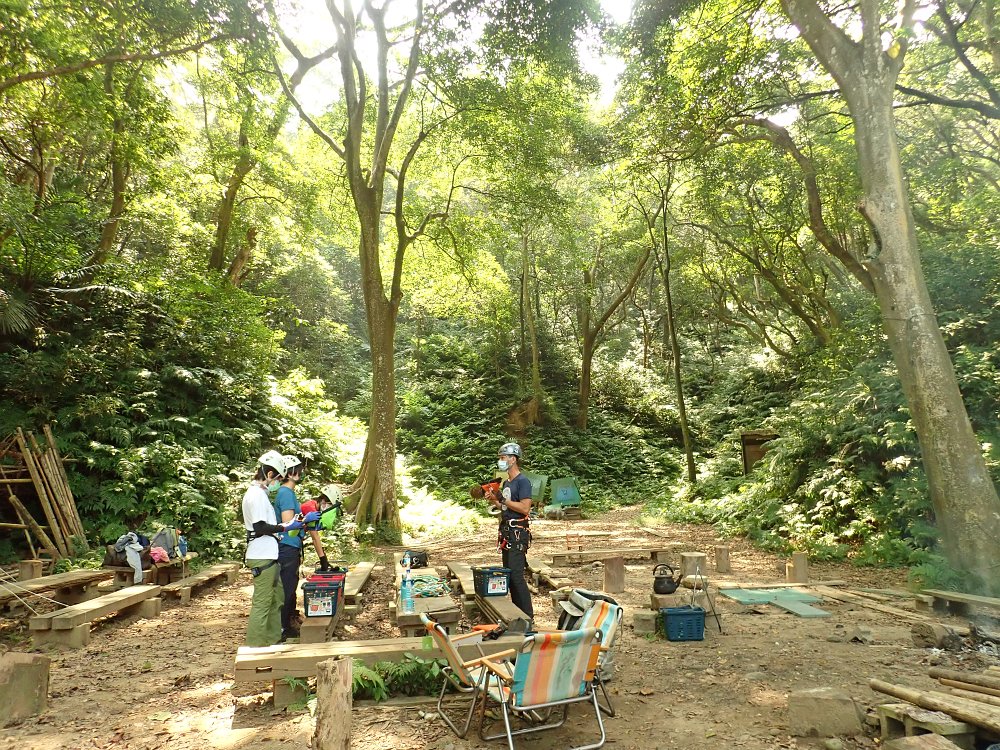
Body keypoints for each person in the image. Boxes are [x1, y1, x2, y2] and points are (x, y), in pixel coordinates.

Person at [242, 451, 308, 647]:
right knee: (263, 603)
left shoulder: (261, 494)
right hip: (261, 554)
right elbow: (260, 526)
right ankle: (255, 646)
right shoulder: (255, 495)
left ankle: (273, 639)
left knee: (277, 598)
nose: (278, 483)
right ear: (269, 474)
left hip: (270, 554)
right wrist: (285, 527)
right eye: (278, 479)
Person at [273, 455, 324, 641]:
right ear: (290, 473)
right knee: (286, 589)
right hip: (286, 547)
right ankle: (282, 628)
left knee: (290, 586)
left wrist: (306, 525)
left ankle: (287, 623)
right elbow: (288, 522)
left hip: (291, 545)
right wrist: (304, 520)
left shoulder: (288, 493)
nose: (301, 474)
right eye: (298, 470)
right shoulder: (286, 493)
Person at [485, 441, 534, 624]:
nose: (501, 461)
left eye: (503, 457)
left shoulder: (523, 482)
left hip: (518, 533)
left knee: (517, 576)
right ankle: (517, 616)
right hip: (507, 533)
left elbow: (524, 508)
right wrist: (494, 499)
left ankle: (528, 617)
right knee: (510, 575)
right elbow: (505, 506)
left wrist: (503, 499)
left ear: (513, 459)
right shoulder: (507, 482)